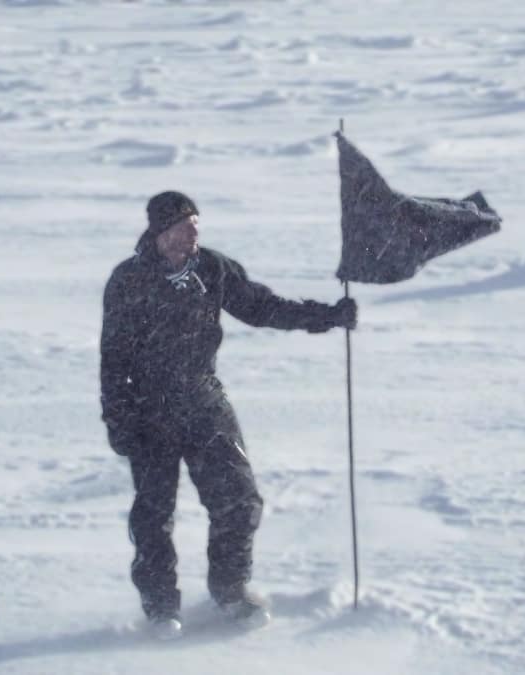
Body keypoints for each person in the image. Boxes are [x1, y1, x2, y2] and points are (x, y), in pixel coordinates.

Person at [100, 191, 356, 639]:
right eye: (183, 225)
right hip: (148, 411)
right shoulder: (128, 280)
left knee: (239, 500)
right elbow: (113, 358)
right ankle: (161, 609)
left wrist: (326, 316)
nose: (193, 232)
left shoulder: (212, 269)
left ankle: (230, 592)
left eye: (196, 223)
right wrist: (119, 420)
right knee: (153, 514)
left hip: (202, 401)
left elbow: (262, 307)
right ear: (161, 231)